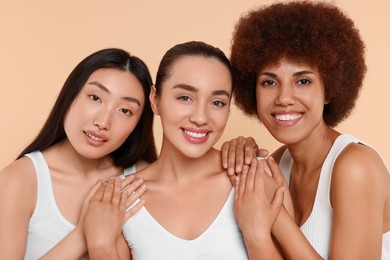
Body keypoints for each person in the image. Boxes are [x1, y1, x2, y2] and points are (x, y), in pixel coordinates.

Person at [83, 40, 288, 259]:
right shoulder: (122, 198)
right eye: (185, 97)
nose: (200, 117)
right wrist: (100, 247)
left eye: (217, 102)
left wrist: (256, 234)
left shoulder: (257, 178)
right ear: (155, 100)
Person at [226, 1, 390, 259]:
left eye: (303, 81)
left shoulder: (355, 167)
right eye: (269, 82)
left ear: (330, 90)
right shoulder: (278, 164)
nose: (284, 98)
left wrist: (276, 213)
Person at [0, 48, 158, 259]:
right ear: (70, 94)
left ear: (138, 124)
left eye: (125, 110)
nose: (103, 122)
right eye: (95, 97)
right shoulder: (20, 180)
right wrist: (84, 232)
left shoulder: (142, 182)